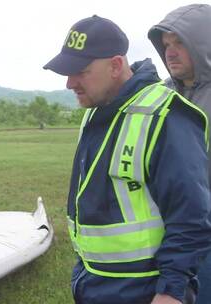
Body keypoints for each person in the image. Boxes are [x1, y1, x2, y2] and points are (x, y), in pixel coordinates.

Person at [43, 15, 211, 304]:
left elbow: (192, 217)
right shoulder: (96, 112)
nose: (70, 83)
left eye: (81, 71)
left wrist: (171, 291)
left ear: (116, 65)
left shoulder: (166, 117)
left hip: (144, 289)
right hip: (96, 281)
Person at [148, 4, 211, 304]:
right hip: (170, 227)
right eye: (167, 44)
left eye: (180, 43)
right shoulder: (161, 95)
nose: (170, 52)